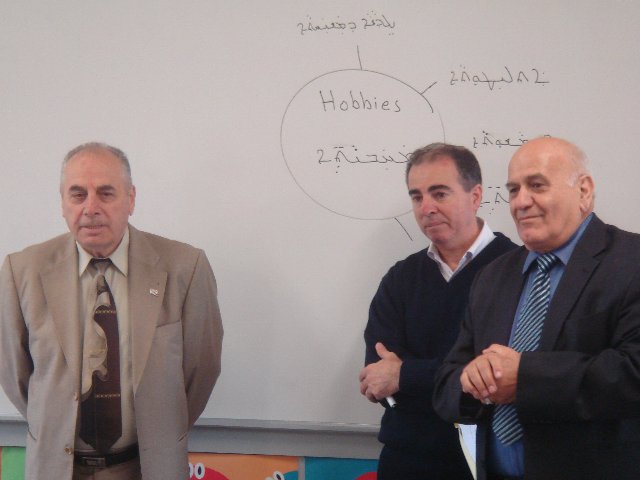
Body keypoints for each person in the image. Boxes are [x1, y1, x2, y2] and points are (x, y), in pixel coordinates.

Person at [0, 142, 223, 480]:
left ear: (131, 199)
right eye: (78, 195)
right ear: (62, 202)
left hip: (147, 467)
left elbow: (201, 370)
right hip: (56, 468)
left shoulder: (184, 268)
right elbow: (15, 374)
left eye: (106, 193)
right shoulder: (22, 272)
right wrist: (54, 424)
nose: (90, 208)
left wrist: (159, 433)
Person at [433, 136, 640, 480]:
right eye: (513, 190)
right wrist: (472, 381)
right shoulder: (492, 276)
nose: (521, 202)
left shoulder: (631, 262)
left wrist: (526, 378)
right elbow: (446, 383)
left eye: (537, 186)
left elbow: (633, 372)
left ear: (584, 191)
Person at [359, 143, 517, 479]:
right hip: (406, 460)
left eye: (439, 194)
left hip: (488, 462)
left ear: (475, 196)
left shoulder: (517, 269)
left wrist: (405, 375)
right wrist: (456, 376)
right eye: (417, 197)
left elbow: (500, 377)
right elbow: (378, 376)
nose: (426, 208)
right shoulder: (401, 277)